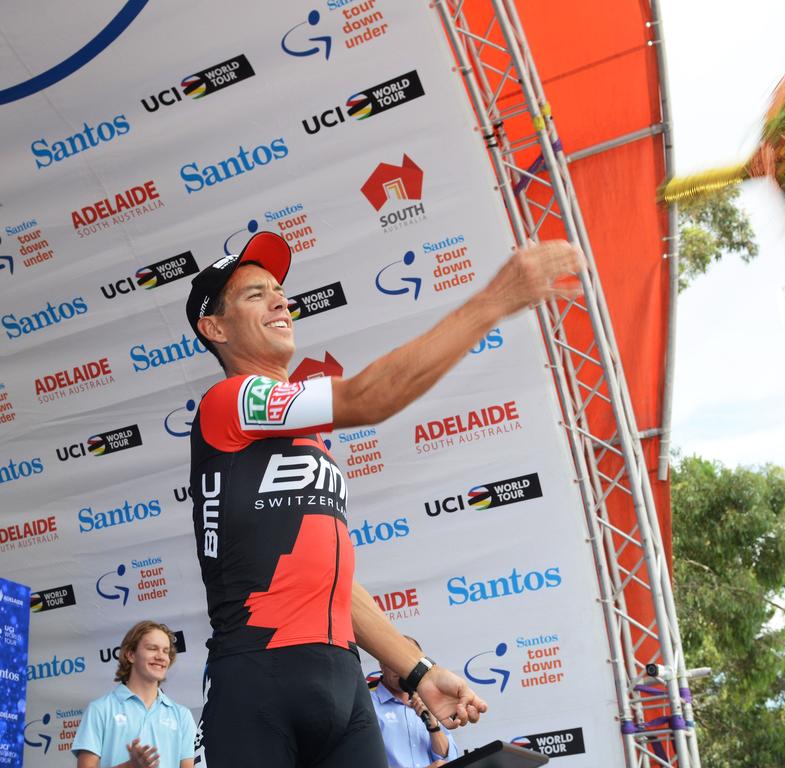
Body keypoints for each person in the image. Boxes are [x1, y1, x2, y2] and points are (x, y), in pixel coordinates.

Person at [186, 231, 582, 767]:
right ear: (214, 328)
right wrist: (494, 301)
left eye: (279, 289)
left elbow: (336, 586)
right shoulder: (229, 400)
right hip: (257, 678)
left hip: (341, 681)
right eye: (256, 294)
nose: (281, 300)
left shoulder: (305, 439)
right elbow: (366, 398)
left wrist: (419, 671)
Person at [72, 620, 196, 768]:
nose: (161, 656)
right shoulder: (100, 709)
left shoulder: (182, 715)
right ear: (130, 655)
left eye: (165, 651)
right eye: (152, 648)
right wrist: (130, 766)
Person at [371, 637, 460, 768]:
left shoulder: (429, 702)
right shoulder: (367, 705)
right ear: (381, 664)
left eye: (408, 662)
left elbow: (450, 759)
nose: (402, 668)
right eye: (396, 659)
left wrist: (434, 727)